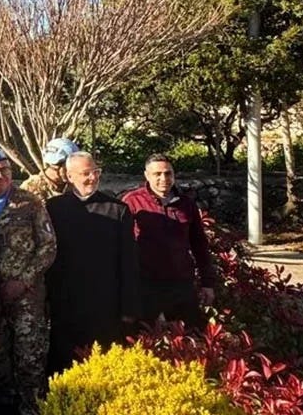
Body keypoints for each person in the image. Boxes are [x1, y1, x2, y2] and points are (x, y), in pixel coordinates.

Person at [0, 148, 57, 415]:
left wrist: (23, 280)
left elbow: (48, 246)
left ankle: (32, 408)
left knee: (30, 357)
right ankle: (6, 407)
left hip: (27, 296)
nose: (0, 175)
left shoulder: (30, 202)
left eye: (5, 170)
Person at [44, 152, 139, 376]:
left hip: (105, 306)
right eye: (85, 174)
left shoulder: (117, 209)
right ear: (69, 176)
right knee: (64, 367)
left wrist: (129, 308)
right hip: (65, 304)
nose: (92, 178)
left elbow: (128, 263)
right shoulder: (53, 208)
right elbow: (47, 257)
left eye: (96, 172)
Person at [121, 154, 216, 327]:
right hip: (146, 286)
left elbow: (199, 245)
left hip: (181, 285)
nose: (163, 178)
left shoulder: (186, 204)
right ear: (146, 175)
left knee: (189, 339)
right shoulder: (132, 202)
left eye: (168, 173)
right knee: (147, 340)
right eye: (157, 174)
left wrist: (207, 283)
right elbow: (120, 247)